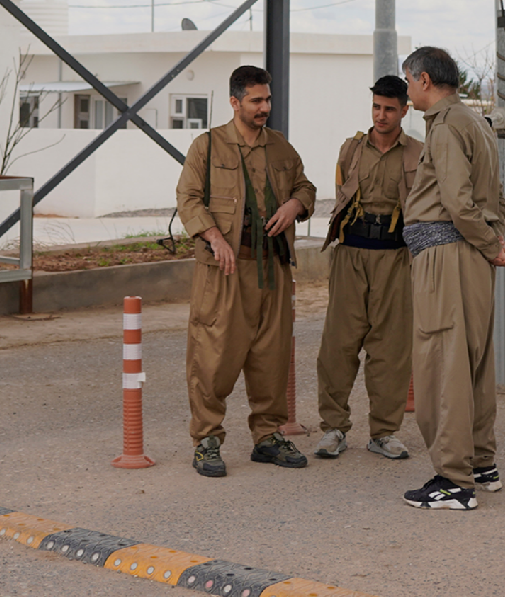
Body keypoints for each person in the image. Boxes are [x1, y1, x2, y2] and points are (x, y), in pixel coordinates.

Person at [176, 65, 317, 477]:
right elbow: (187, 198)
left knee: (271, 356)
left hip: (272, 267)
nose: (264, 108)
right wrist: (215, 238)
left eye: (267, 99)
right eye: (256, 100)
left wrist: (295, 206)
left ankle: (268, 436)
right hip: (224, 269)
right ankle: (206, 440)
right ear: (235, 102)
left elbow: (305, 187)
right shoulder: (208, 146)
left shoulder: (279, 147)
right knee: (213, 354)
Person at [400, 47, 505, 511]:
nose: (407, 90)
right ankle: (480, 463)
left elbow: (455, 199)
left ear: (425, 80)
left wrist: (490, 244)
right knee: (471, 361)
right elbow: (497, 196)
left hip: (448, 255)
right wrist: (493, 240)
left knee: (442, 363)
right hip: (470, 253)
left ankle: (453, 480)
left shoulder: (447, 125)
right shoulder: (477, 124)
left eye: (408, 81)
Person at [313, 75, 423, 461]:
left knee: (390, 348)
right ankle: (333, 428)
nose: (381, 115)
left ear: (404, 110)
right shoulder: (352, 148)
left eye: (390, 108)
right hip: (351, 253)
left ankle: (384, 431)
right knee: (338, 345)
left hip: (395, 257)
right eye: (376, 107)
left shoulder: (418, 154)